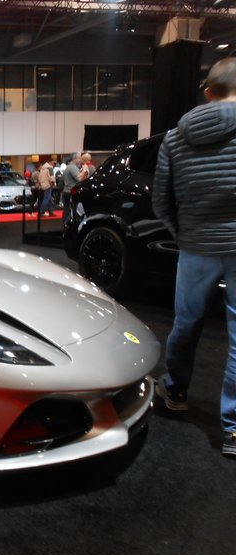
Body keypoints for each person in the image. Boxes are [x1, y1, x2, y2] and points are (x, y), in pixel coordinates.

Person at [152, 57, 236, 458]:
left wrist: (184, 234)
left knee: (185, 324)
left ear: (207, 92)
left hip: (195, 246)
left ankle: (176, 392)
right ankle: (234, 430)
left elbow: (160, 201)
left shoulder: (174, 138)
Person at [60, 151, 84, 223]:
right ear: (75, 158)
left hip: (66, 191)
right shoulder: (73, 167)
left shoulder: (68, 167)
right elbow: (79, 179)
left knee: (66, 210)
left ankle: (65, 225)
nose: (80, 160)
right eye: (79, 158)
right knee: (72, 210)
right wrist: (84, 171)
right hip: (71, 191)